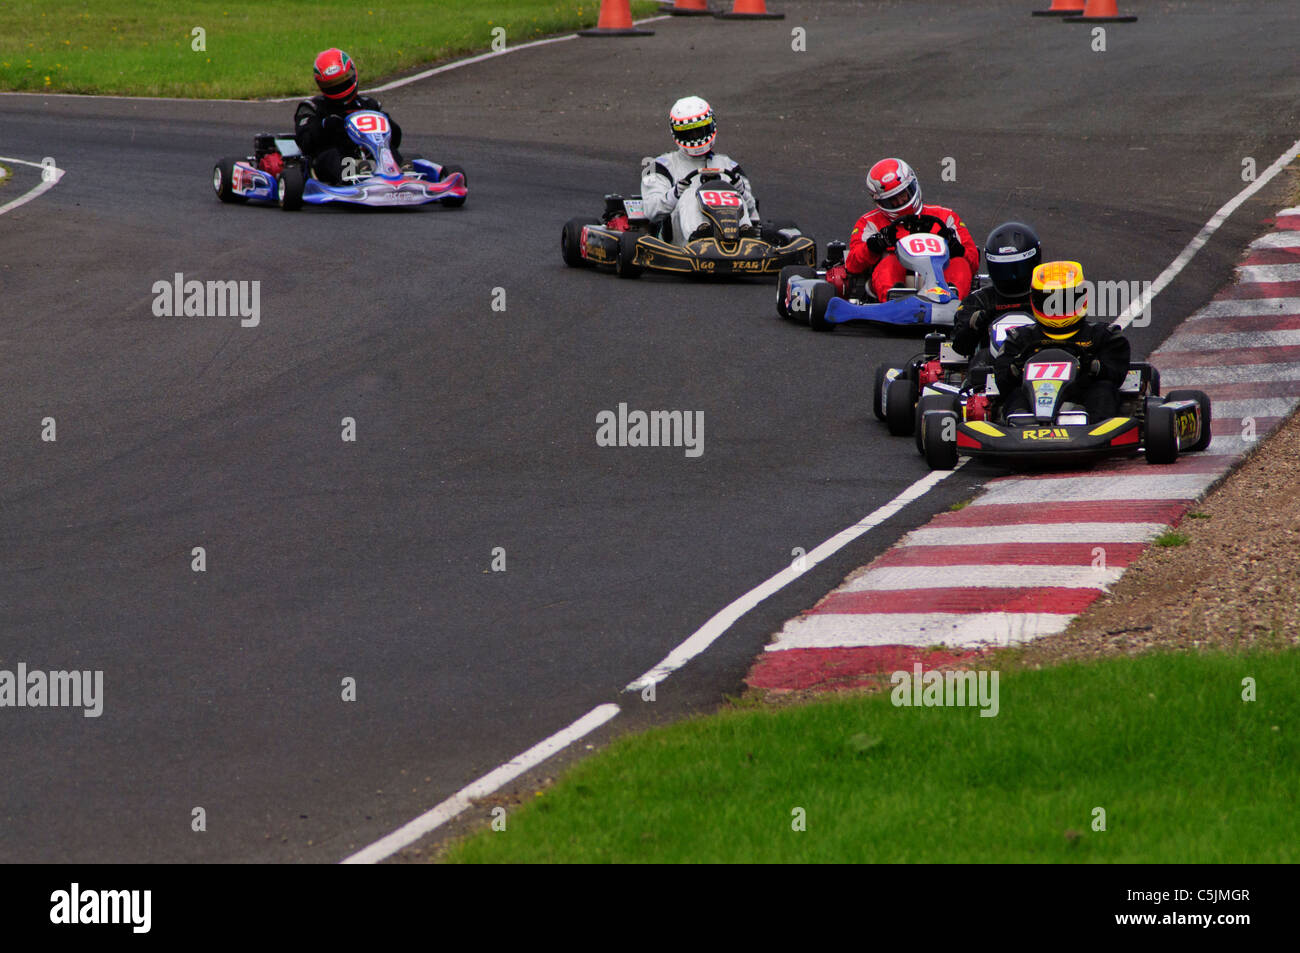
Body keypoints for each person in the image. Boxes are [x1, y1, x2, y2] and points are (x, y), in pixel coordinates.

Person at [994, 260, 1131, 422]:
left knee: (1104, 389)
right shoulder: (1020, 338)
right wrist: (1015, 369)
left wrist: (1093, 366)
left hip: (1083, 398)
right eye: (1049, 301)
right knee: (1015, 393)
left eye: (1065, 300)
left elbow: (1116, 375)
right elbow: (1002, 382)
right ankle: (1020, 426)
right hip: (1032, 403)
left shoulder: (1103, 336)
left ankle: (1096, 429)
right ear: (1034, 300)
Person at [829, 158, 979, 302]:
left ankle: (953, 301)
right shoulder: (870, 223)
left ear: (913, 186)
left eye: (903, 194)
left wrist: (955, 247)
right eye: (892, 200)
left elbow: (973, 261)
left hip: (940, 276)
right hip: (896, 279)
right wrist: (875, 244)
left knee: (960, 263)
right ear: (880, 202)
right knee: (889, 263)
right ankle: (895, 301)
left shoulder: (946, 217)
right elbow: (852, 264)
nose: (901, 201)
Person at [641, 96, 759, 243]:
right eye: (688, 133)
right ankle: (700, 237)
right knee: (691, 193)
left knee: (733, 194)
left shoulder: (729, 165)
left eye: (700, 130)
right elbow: (651, 211)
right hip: (680, 243)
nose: (695, 137)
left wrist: (742, 193)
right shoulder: (659, 166)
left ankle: (746, 240)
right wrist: (675, 193)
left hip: (732, 237)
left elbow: (752, 210)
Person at [294, 48, 404, 185]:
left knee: (390, 152)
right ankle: (352, 178)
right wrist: (324, 126)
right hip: (333, 159)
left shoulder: (368, 104)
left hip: (371, 155)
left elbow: (395, 140)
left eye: (344, 81)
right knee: (332, 156)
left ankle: (400, 174)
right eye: (332, 85)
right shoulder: (313, 107)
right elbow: (305, 142)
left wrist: (388, 123)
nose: (339, 88)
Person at [951, 221, 1043, 357]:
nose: (1011, 278)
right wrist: (974, 326)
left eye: (1017, 269)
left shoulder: (1046, 296)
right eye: (1003, 270)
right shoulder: (979, 301)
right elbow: (960, 348)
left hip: (1041, 358)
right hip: (990, 363)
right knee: (981, 358)